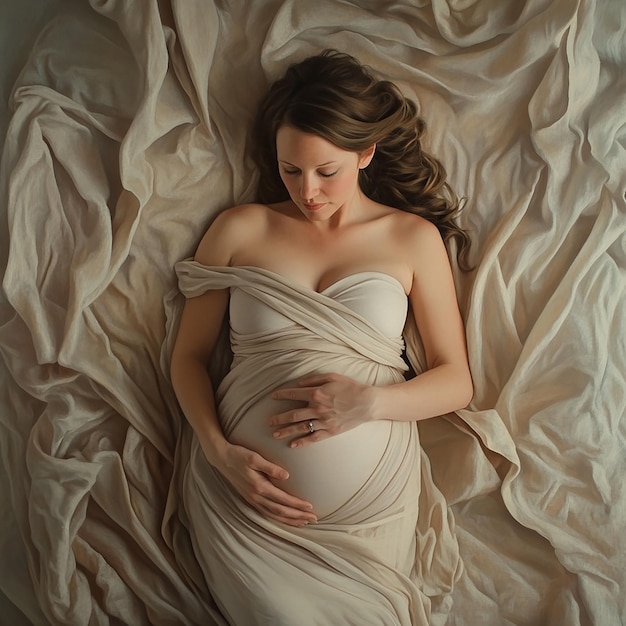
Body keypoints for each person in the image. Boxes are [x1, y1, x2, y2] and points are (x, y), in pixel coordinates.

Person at [170, 49, 473, 626]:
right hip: (249, 507)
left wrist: (372, 402)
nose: (308, 191)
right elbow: (187, 357)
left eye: (326, 171)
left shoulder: (411, 238)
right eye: (290, 170)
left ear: (366, 153)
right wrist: (219, 452)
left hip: (369, 511)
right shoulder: (241, 228)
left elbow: (456, 379)